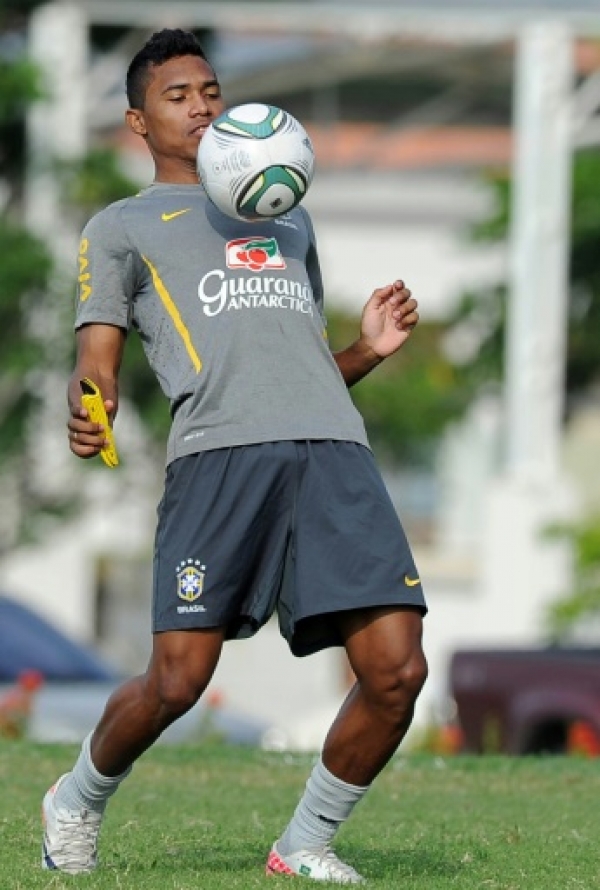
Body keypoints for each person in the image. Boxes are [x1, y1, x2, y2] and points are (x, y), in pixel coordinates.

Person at [41, 28, 427, 884]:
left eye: (211, 91)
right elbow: (95, 359)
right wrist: (89, 403)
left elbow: (299, 368)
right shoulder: (121, 226)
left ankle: (305, 845)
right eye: (177, 95)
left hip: (333, 453)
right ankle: (76, 799)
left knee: (397, 671)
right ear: (138, 121)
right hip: (218, 460)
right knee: (177, 683)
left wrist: (365, 350)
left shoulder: (289, 215)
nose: (202, 106)